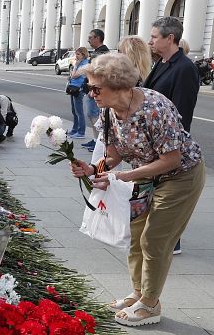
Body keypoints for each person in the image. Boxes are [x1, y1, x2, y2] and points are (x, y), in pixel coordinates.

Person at [70, 53, 205, 327]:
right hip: (144, 174)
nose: (91, 93)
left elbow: (172, 159)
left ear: (118, 85)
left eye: (96, 88)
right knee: (135, 236)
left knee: (154, 240)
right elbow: (113, 155)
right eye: (89, 88)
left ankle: (150, 304)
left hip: (180, 176)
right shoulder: (109, 112)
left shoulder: (154, 107)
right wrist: (92, 169)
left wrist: (126, 175)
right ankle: (139, 293)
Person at [143, 16, 200, 256]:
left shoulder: (185, 68)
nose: (150, 41)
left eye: (155, 37)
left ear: (170, 38)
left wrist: (167, 146)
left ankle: (171, 241)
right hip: (154, 141)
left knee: (166, 192)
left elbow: (181, 112)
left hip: (168, 145)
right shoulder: (163, 62)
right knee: (153, 192)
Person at [81, 29, 110, 151]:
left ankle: (99, 141)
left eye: (91, 37)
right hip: (92, 89)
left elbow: (96, 73)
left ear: (98, 38)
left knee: (95, 116)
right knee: (91, 115)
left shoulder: (102, 53)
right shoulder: (98, 52)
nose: (88, 40)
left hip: (95, 90)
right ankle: (95, 140)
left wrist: (91, 88)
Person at [67, 47, 90, 139]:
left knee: (79, 111)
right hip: (73, 87)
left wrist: (75, 66)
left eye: (78, 54)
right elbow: (72, 76)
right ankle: (74, 129)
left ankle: (81, 131)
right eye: (75, 54)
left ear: (83, 55)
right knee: (74, 110)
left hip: (79, 89)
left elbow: (75, 75)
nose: (76, 56)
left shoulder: (85, 64)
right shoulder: (79, 63)